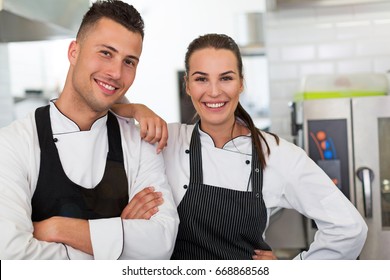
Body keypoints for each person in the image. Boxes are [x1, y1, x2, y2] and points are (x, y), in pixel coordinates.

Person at [113, 33, 367, 260]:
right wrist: (137, 108)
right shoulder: (168, 140)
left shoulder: (276, 154)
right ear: (188, 86)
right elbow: (98, 105)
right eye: (202, 79)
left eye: (226, 78)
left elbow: (349, 228)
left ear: (241, 83)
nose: (214, 92)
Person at [0, 0, 179, 260]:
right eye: (106, 53)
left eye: (129, 61)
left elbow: (160, 244)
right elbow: (12, 256)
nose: (116, 72)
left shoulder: (140, 143)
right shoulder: (13, 144)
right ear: (74, 52)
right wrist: (117, 241)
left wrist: (58, 229)